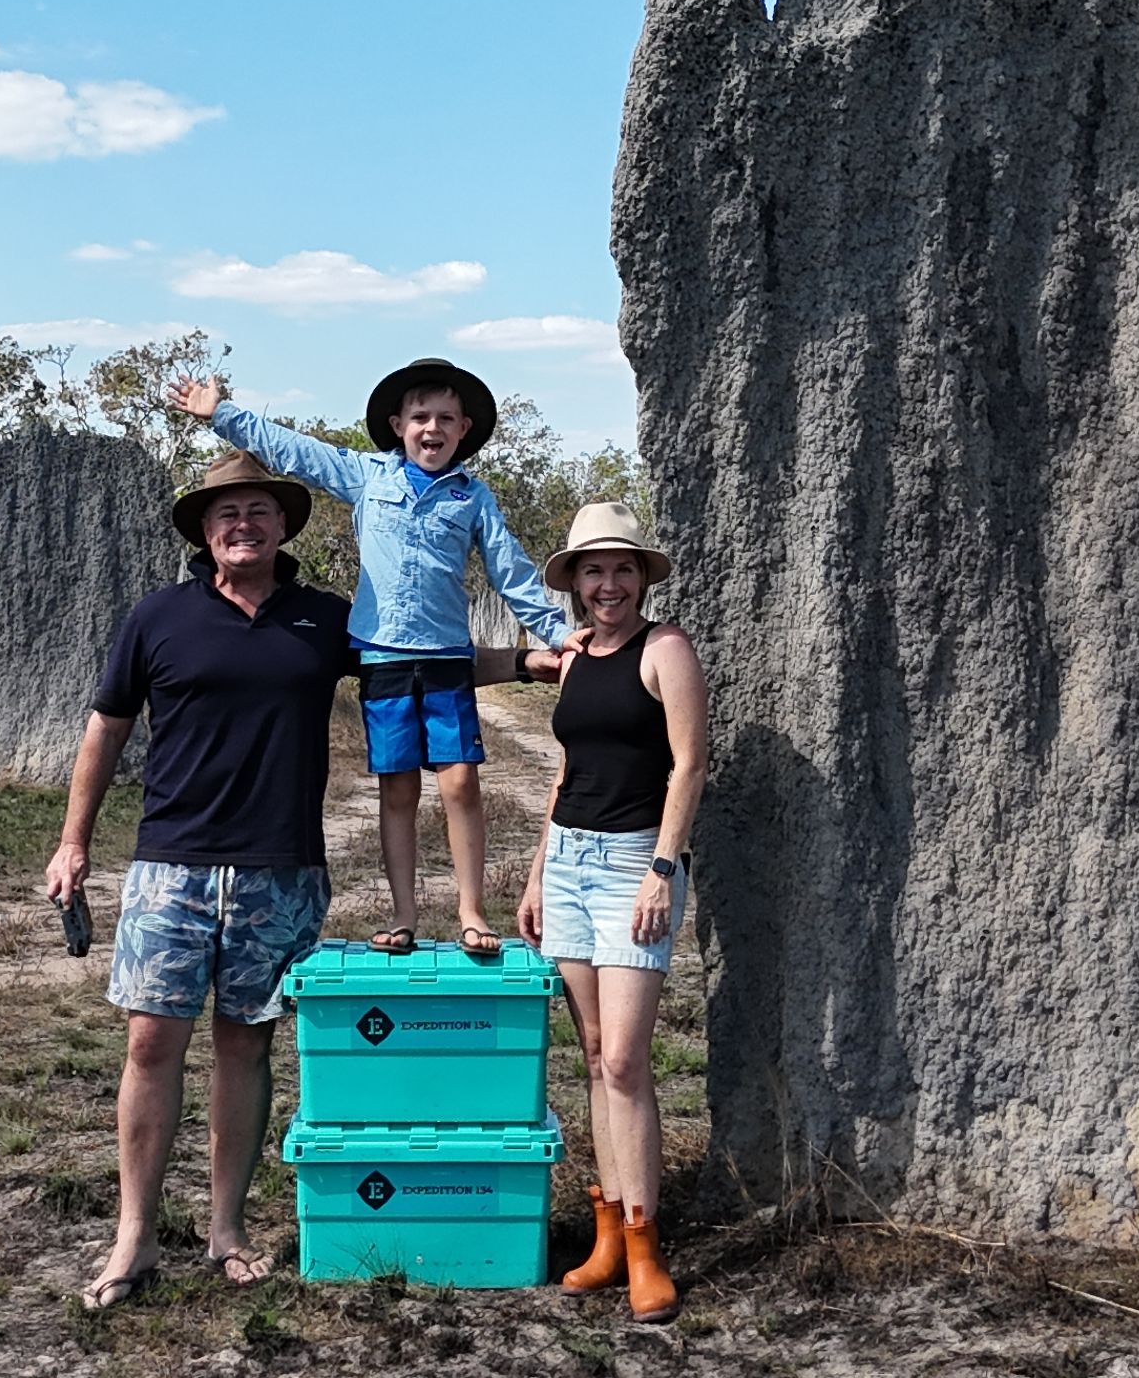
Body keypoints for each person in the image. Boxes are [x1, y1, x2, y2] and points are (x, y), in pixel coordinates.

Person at [42, 450, 356, 1309]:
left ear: (284, 524)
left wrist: (526, 662)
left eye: (257, 510)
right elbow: (105, 729)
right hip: (168, 868)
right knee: (151, 1043)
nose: (242, 525)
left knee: (245, 1042)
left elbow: (423, 660)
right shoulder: (157, 618)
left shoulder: (326, 620)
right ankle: (134, 1237)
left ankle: (226, 1227)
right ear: (204, 532)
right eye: (225, 514)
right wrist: (74, 842)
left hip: (281, 868)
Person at [173, 360, 572, 956]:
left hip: (445, 658)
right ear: (397, 425)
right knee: (397, 790)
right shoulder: (366, 476)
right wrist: (222, 416)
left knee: (460, 782)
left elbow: (510, 570)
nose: (431, 428)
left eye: (444, 419)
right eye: (419, 417)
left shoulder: (473, 497)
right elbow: (296, 452)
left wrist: (558, 635)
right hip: (382, 658)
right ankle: (404, 913)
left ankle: (470, 909)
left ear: (464, 429)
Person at [518, 502, 704, 1325]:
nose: (608, 584)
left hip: (636, 864)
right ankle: (606, 1233)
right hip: (568, 863)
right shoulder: (576, 656)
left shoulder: (666, 649)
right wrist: (534, 876)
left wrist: (663, 869)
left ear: (641, 576)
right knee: (593, 1055)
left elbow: (690, 763)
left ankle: (645, 1243)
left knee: (627, 1059)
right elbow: (565, 772)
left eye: (622, 568)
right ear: (575, 583)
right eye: (593, 571)